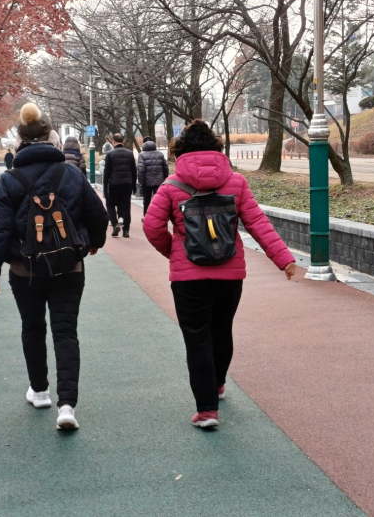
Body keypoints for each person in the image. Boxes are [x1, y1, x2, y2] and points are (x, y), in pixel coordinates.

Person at [143, 120, 297, 429]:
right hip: (229, 275)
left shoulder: (171, 186)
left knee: (197, 338)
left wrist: (173, 252)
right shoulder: (236, 183)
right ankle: (218, 384)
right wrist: (284, 260)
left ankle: (207, 411)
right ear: (217, 148)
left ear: (180, 151)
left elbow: (152, 226)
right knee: (221, 328)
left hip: (188, 278)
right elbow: (258, 223)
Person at [0, 103, 109, 430]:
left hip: (25, 270)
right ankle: (67, 407)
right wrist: (94, 242)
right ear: (50, 139)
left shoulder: (9, 180)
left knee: (32, 328)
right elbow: (98, 214)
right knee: (66, 332)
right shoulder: (72, 173)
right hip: (69, 266)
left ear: (20, 141)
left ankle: (39, 391)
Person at [103, 133, 136, 238]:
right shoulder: (130, 154)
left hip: (114, 183)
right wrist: (134, 185)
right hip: (127, 183)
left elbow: (106, 172)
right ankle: (126, 230)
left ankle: (115, 224)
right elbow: (134, 171)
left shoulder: (110, 154)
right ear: (124, 141)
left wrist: (105, 187)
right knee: (126, 207)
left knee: (110, 205)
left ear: (113, 142)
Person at [137, 136, 169, 219]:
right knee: (158, 200)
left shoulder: (142, 155)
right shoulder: (160, 154)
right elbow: (165, 168)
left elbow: (141, 169)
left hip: (146, 182)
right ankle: (158, 217)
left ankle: (146, 217)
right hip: (159, 181)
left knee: (146, 200)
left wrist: (141, 181)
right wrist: (165, 179)